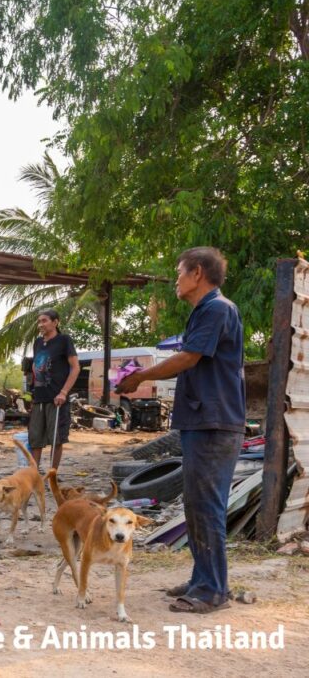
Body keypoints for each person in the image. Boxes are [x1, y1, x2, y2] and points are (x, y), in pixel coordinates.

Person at [117, 247, 244, 614]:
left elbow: (188, 358)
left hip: (214, 423)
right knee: (197, 505)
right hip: (203, 420)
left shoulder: (218, 309)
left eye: (179, 272)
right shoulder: (206, 312)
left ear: (198, 273)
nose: (176, 279)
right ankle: (203, 579)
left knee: (206, 506)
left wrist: (140, 376)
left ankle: (212, 591)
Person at [27, 309, 80, 470]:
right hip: (39, 398)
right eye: (39, 321)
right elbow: (35, 367)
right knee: (35, 439)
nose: (40, 324)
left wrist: (63, 392)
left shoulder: (64, 340)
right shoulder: (37, 342)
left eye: (44, 321)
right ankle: (34, 476)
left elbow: (75, 367)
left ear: (55, 322)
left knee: (56, 440)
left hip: (57, 399)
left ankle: (52, 475)